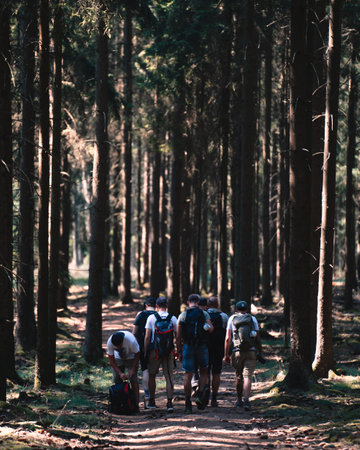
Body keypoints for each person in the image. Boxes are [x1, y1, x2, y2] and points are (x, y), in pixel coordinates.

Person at [176, 293, 213, 414]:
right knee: (204, 371)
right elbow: (211, 329)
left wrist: (179, 350)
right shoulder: (204, 313)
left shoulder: (183, 315)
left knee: (188, 374)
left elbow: (178, 336)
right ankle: (200, 394)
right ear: (198, 302)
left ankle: (187, 403)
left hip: (188, 346)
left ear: (188, 302)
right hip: (202, 346)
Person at [224, 300, 263, 411]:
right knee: (248, 376)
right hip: (251, 351)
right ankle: (246, 401)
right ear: (247, 309)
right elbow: (258, 337)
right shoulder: (252, 319)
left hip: (237, 351)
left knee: (238, 376)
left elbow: (228, 338)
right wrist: (260, 351)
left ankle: (239, 400)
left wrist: (226, 354)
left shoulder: (232, 319)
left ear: (236, 309)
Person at [144, 297, 178, 412]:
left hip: (155, 351)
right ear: (166, 306)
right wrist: (178, 350)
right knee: (168, 376)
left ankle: (152, 401)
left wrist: (145, 351)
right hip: (168, 351)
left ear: (157, 306)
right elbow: (177, 336)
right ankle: (169, 403)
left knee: (152, 375)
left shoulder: (151, 318)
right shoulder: (173, 318)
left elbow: (147, 336)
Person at [132, 297, 156, 408]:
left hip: (142, 345)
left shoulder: (140, 315)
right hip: (156, 347)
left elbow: (134, 332)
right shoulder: (158, 315)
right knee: (153, 374)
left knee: (145, 369)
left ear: (146, 305)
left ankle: (147, 393)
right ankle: (153, 398)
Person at [106, 330, 140, 409]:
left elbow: (137, 354)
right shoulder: (110, 343)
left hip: (131, 357)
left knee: (133, 379)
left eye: (119, 345)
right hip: (118, 359)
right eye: (116, 346)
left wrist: (132, 369)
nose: (118, 347)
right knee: (116, 379)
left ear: (123, 341)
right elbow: (111, 360)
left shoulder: (131, 340)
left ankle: (135, 405)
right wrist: (120, 373)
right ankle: (119, 404)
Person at [206, 296, 228, 407]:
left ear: (207, 305)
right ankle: (214, 398)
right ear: (218, 305)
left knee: (205, 372)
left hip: (205, 348)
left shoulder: (203, 315)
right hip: (219, 348)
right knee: (216, 373)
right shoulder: (223, 316)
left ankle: (204, 395)